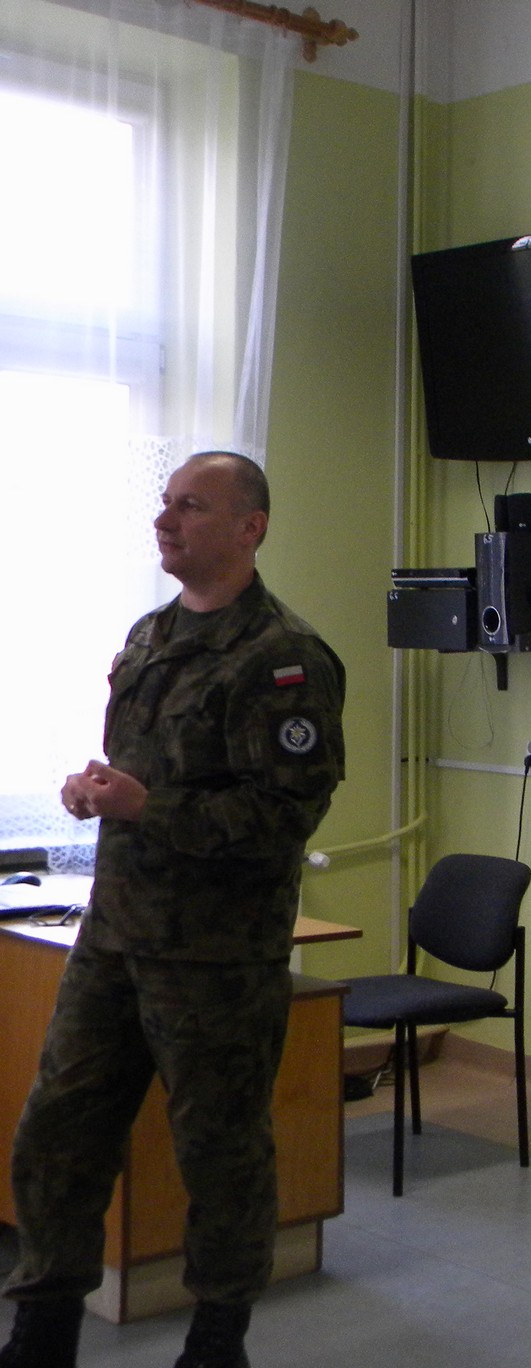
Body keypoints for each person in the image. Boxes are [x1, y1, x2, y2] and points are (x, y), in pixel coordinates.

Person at [0, 452, 345, 1368]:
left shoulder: (284, 659)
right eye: (166, 503)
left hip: (216, 959)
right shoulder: (150, 636)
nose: (166, 520)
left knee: (220, 1155)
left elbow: (282, 817)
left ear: (249, 527)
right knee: (56, 1134)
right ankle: (43, 1330)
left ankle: (217, 1339)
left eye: (190, 506)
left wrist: (148, 807)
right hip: (114, 939)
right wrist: (95, 792)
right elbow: (144, 774)